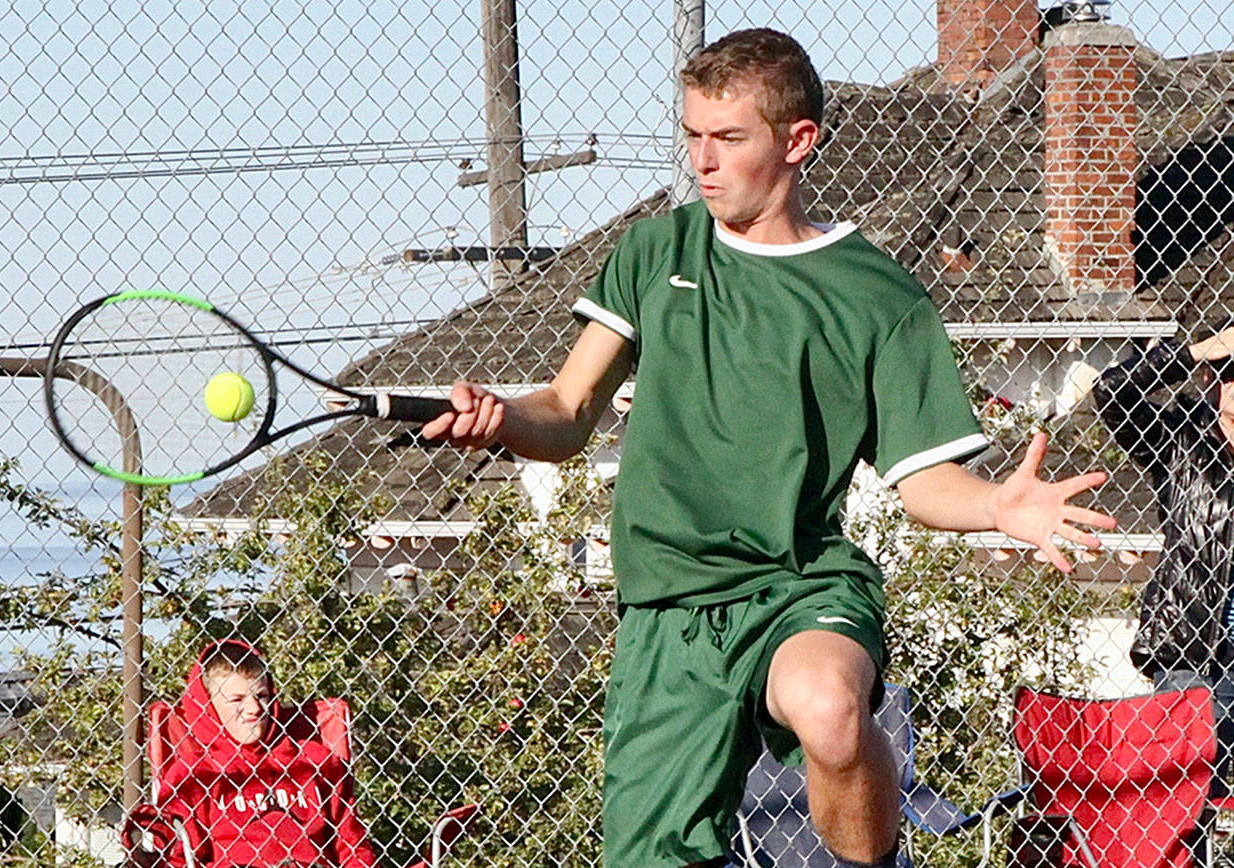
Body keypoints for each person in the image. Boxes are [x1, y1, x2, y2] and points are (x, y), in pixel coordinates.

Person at [422, 28, 1115, 868]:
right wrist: (501, 417)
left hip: (800, 584)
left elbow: (925, 481)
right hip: (668, 607)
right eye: (693, 138)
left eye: (729, 139)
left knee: (828, 707)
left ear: (797, 141)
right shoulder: (656, 253)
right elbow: (567, 412)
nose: (703, 162)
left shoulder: (876, 295)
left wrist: (998, 504)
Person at [1093, 327, 1234, 794]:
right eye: (1228, 373)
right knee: (1189, 802)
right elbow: (1113, 391)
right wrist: (1193, 351)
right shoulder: (1183, 438)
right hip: (1195, 652)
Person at [128, 639, 379, 868]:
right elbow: (180, 859)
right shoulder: (195, 773)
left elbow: (351, 847)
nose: (254, 709)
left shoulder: (314, 761)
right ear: (208, 707)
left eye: (262, 696)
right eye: (236, 699)